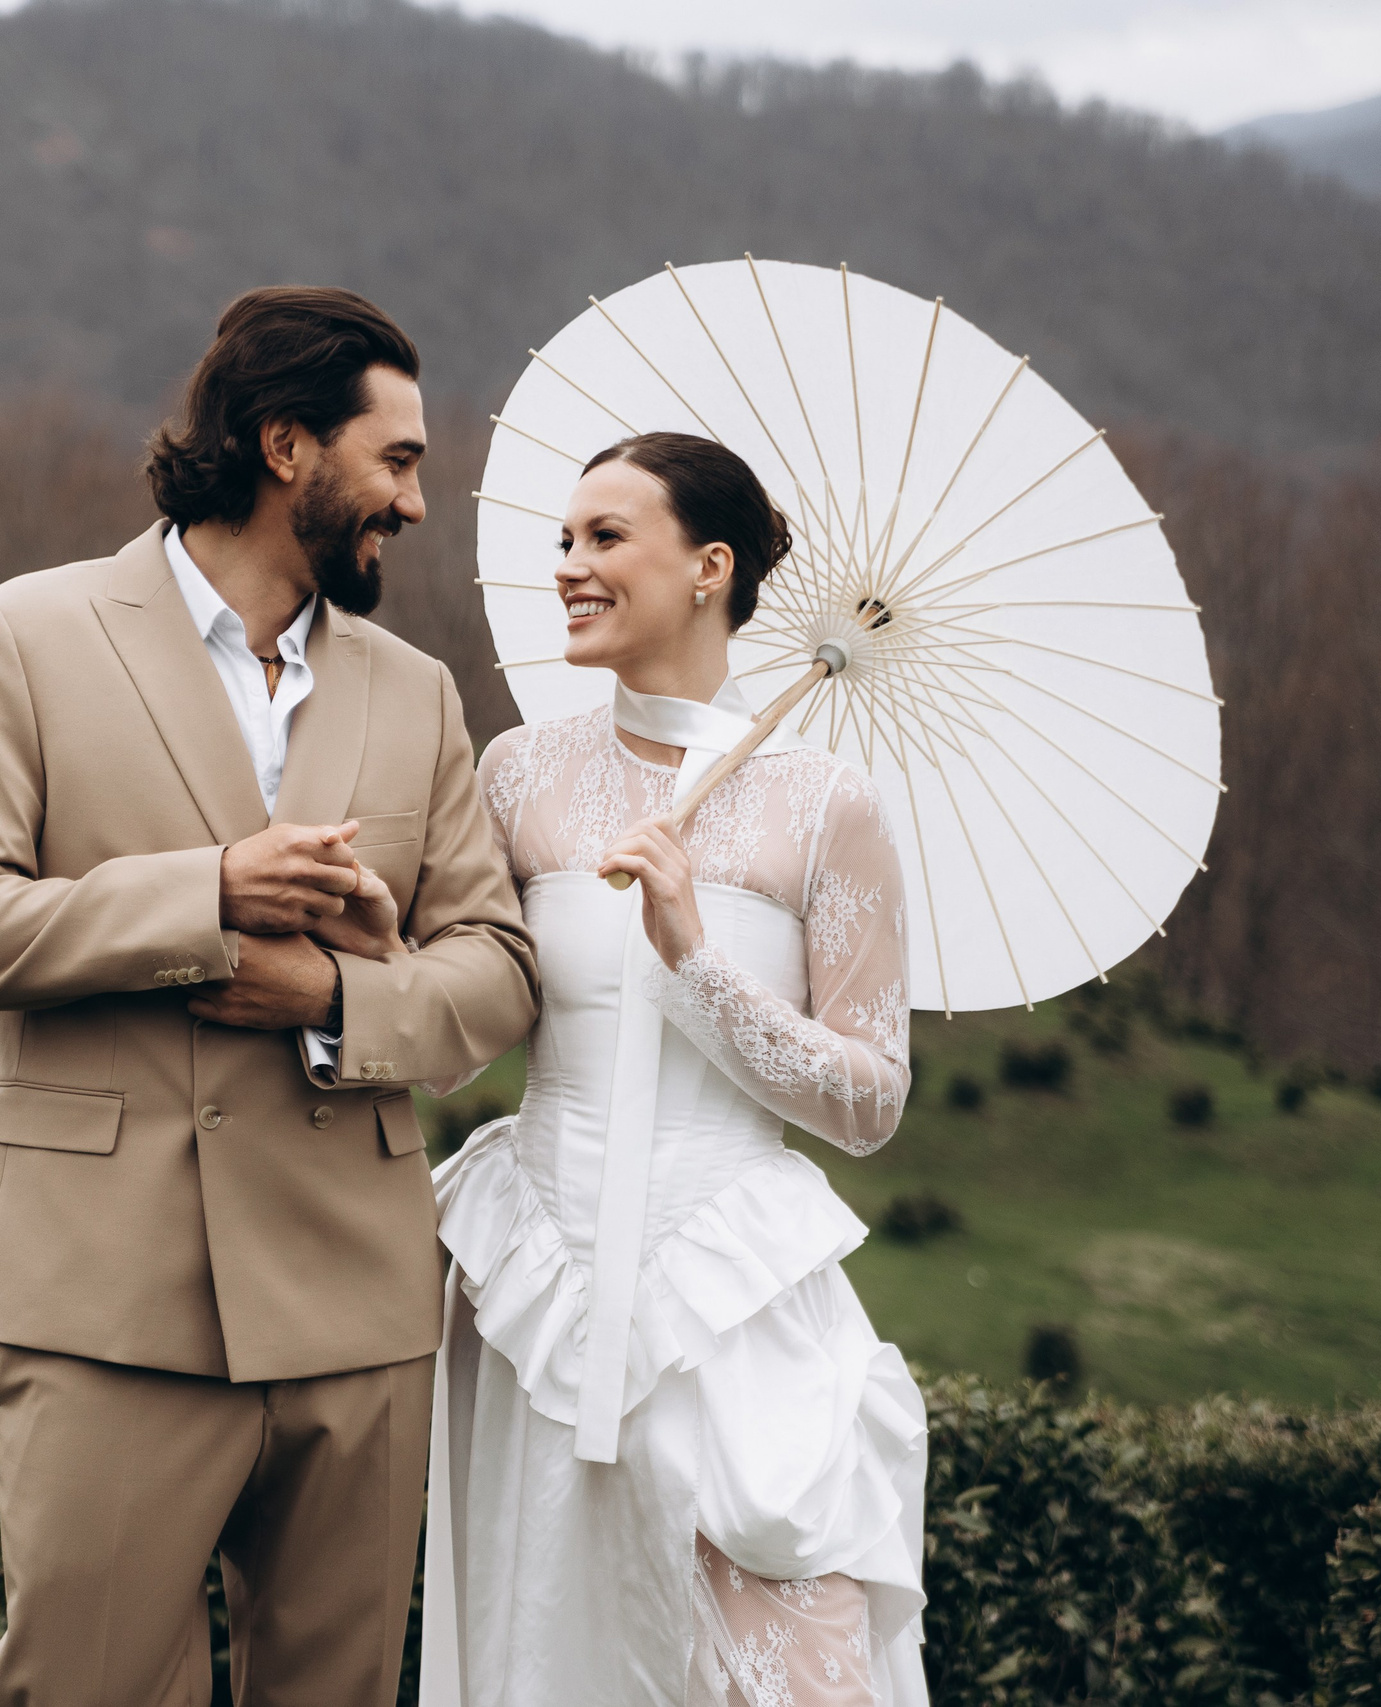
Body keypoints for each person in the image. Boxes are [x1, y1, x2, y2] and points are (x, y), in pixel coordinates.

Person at [0, 285, 539, 1707]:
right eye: (402, 458)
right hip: (105, 1288)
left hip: (359, 1305)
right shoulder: (25, 635)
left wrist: (332, 998)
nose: (419, 504)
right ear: (286, 444)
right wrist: (206, 896)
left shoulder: (419, 693)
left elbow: (496, 968)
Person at [418, 433, 928, 1706]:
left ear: (709, 567)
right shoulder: (519, 773)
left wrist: (696, 956)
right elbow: (460, 1016)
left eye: (605, 538)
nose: (570, 567)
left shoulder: (828, 806)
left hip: (730, 1300)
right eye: (564, 540)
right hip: (535, 1285)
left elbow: (870, 1101)